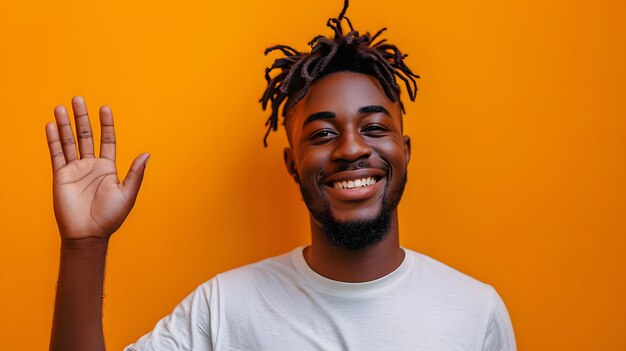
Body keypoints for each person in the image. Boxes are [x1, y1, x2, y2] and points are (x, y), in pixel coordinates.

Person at [46, 1, 516, 350]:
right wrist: (84, 246)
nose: (351, 148)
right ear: (292, 164)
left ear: (404, 152)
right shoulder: (224, 309)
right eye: (323, 133)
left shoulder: (475, 314)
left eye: (374, 127)